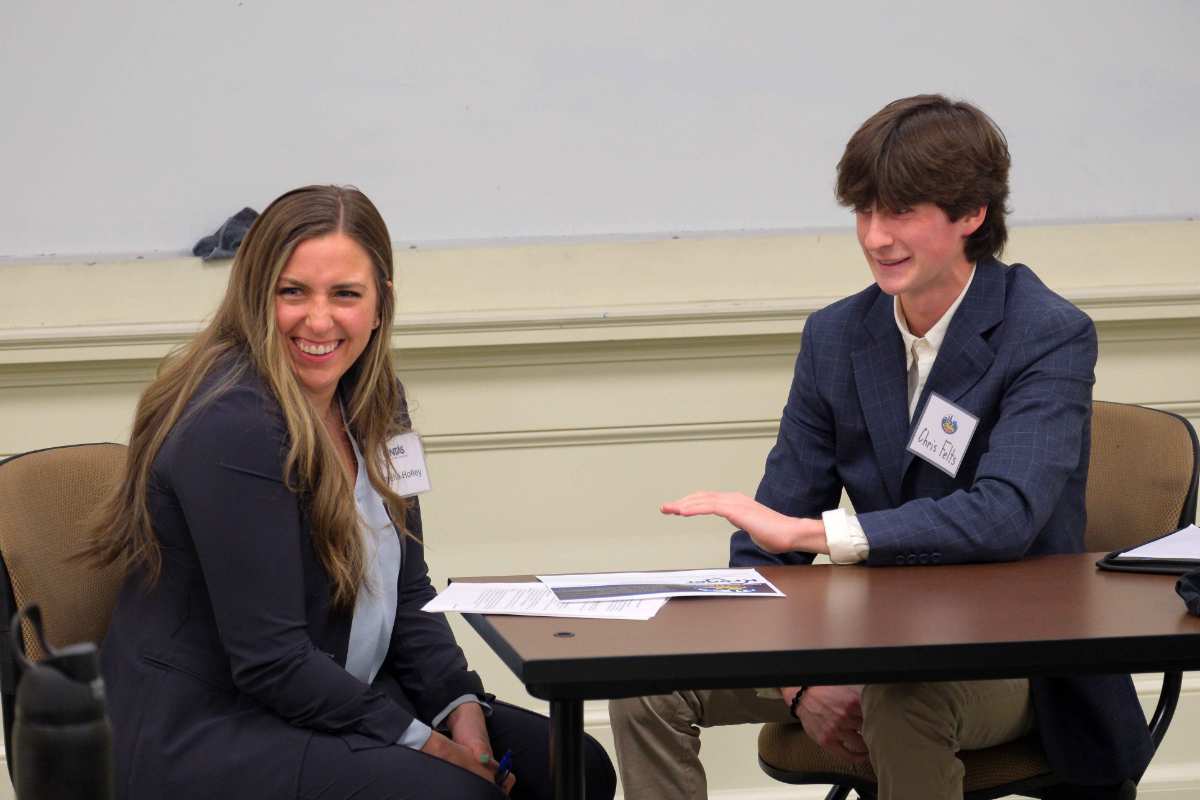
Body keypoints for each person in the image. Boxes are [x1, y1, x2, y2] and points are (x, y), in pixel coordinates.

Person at [609, 95, 1154, 800]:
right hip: (861, 643)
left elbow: (1003, 515)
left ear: (971, 215)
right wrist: (800, 679)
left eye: (901, 212)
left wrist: (819, 533)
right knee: (644, 688)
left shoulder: (1045, 332)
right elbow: (764, 538)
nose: (875, 237)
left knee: (904, 700)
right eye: (864, 212)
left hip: (1012, 658)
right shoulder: (836, 337)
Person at [86, 185, 616, 800]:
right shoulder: (234, 424)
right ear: (256, 295)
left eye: (345, 294)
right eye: (293, 292)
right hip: (210, 727)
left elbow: (408, 589)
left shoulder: (375, 401)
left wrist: (460, 710)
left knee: (575, 767)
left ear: (380, 303)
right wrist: (430, 745)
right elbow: (271, 662)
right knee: (458, 794)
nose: (318, 319)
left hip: (332, 692)